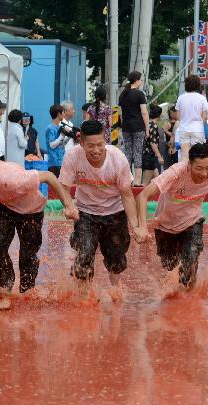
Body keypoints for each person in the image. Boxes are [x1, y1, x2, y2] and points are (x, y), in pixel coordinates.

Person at [0, 161, 78, 308]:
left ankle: (26, 291)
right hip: (3, 207)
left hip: (31, 210)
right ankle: (5, 288)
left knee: (27, 255)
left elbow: (49, 177)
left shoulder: (17, 180)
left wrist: (68, 204)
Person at [134, 143, 208, 290]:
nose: (204, 174)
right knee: (169, 266)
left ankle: (190, 303)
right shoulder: (176, 172)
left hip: (192, 222)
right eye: (199, 168)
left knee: (189, 263)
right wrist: (142, 227)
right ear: (189, 164)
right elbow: (143, 195)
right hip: (165, 225)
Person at [59, 120, 142, 297]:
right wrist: (68, 205)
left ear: (105, 140)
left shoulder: (117, 159)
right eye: (90, 146)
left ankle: (115, 288)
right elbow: (63, 187)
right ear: (81, 143)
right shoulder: (73, 157)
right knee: (85, 252)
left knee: (116, 258)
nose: (96, 150)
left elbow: (127, 195)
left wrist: (135, 226)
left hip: (115, 211)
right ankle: (84, 296)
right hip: (86, 212)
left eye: (100, 144)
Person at [119, 71, 149, 184]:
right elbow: (144, 112)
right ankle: (137, 181)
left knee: (128, 152)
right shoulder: (140, 94)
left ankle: (126, 180)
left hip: (126, 127)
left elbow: (121, 114)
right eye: (140, 80)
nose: (141, 82)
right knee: (137, 152)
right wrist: (147, 129)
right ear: (136, 80)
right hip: (138, 127)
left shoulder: (123, 94)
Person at [176, 74, 208, 163]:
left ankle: (183, 176)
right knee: (197, 156)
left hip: (184, 129)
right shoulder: (202, 98)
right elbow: (205, 118)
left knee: (184, 156)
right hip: (197, 129)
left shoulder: (181, 98)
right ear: (198, 85)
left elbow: (178, 117)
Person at [141, 105, 165, 185]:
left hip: (146, 156)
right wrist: (159, 156)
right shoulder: (154, 126)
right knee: (145, 183)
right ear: (159, 115)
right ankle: (139, 197)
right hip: (149, 157)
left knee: (158, 182)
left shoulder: (147, 124)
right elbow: (153, 143)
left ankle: (157, 197)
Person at [45, 103, 69, 177]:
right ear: (59, 114)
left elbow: (60, 143)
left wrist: (69, 136)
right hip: (54, 163)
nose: (64, 114)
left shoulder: (59, 127)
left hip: (61, 161)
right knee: (55, 187)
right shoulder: (50, 128)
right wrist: (61, 136)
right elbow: (52, 145)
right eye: (63, 112)